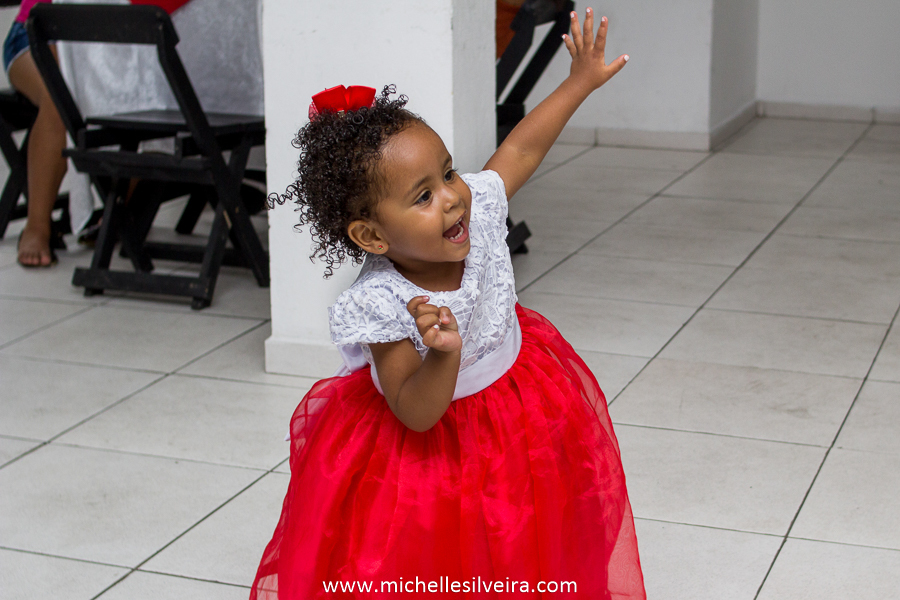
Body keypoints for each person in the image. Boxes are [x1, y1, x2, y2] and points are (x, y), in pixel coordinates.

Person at [253, 9, 643, 599]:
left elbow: (521, 151)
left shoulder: (476, 211)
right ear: (372, 237)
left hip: (520, 410)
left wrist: (578, 82)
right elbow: (414, 412)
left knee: (528, 541)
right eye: (424, 195)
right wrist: (442, 353)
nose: (455, 200)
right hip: (431, 453)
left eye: (448, 173)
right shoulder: (381, 302)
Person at [4, 0, 64, 267]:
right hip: (34, 33)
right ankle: (37, 225)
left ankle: (118, 211)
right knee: (59, 94)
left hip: (108, 37)